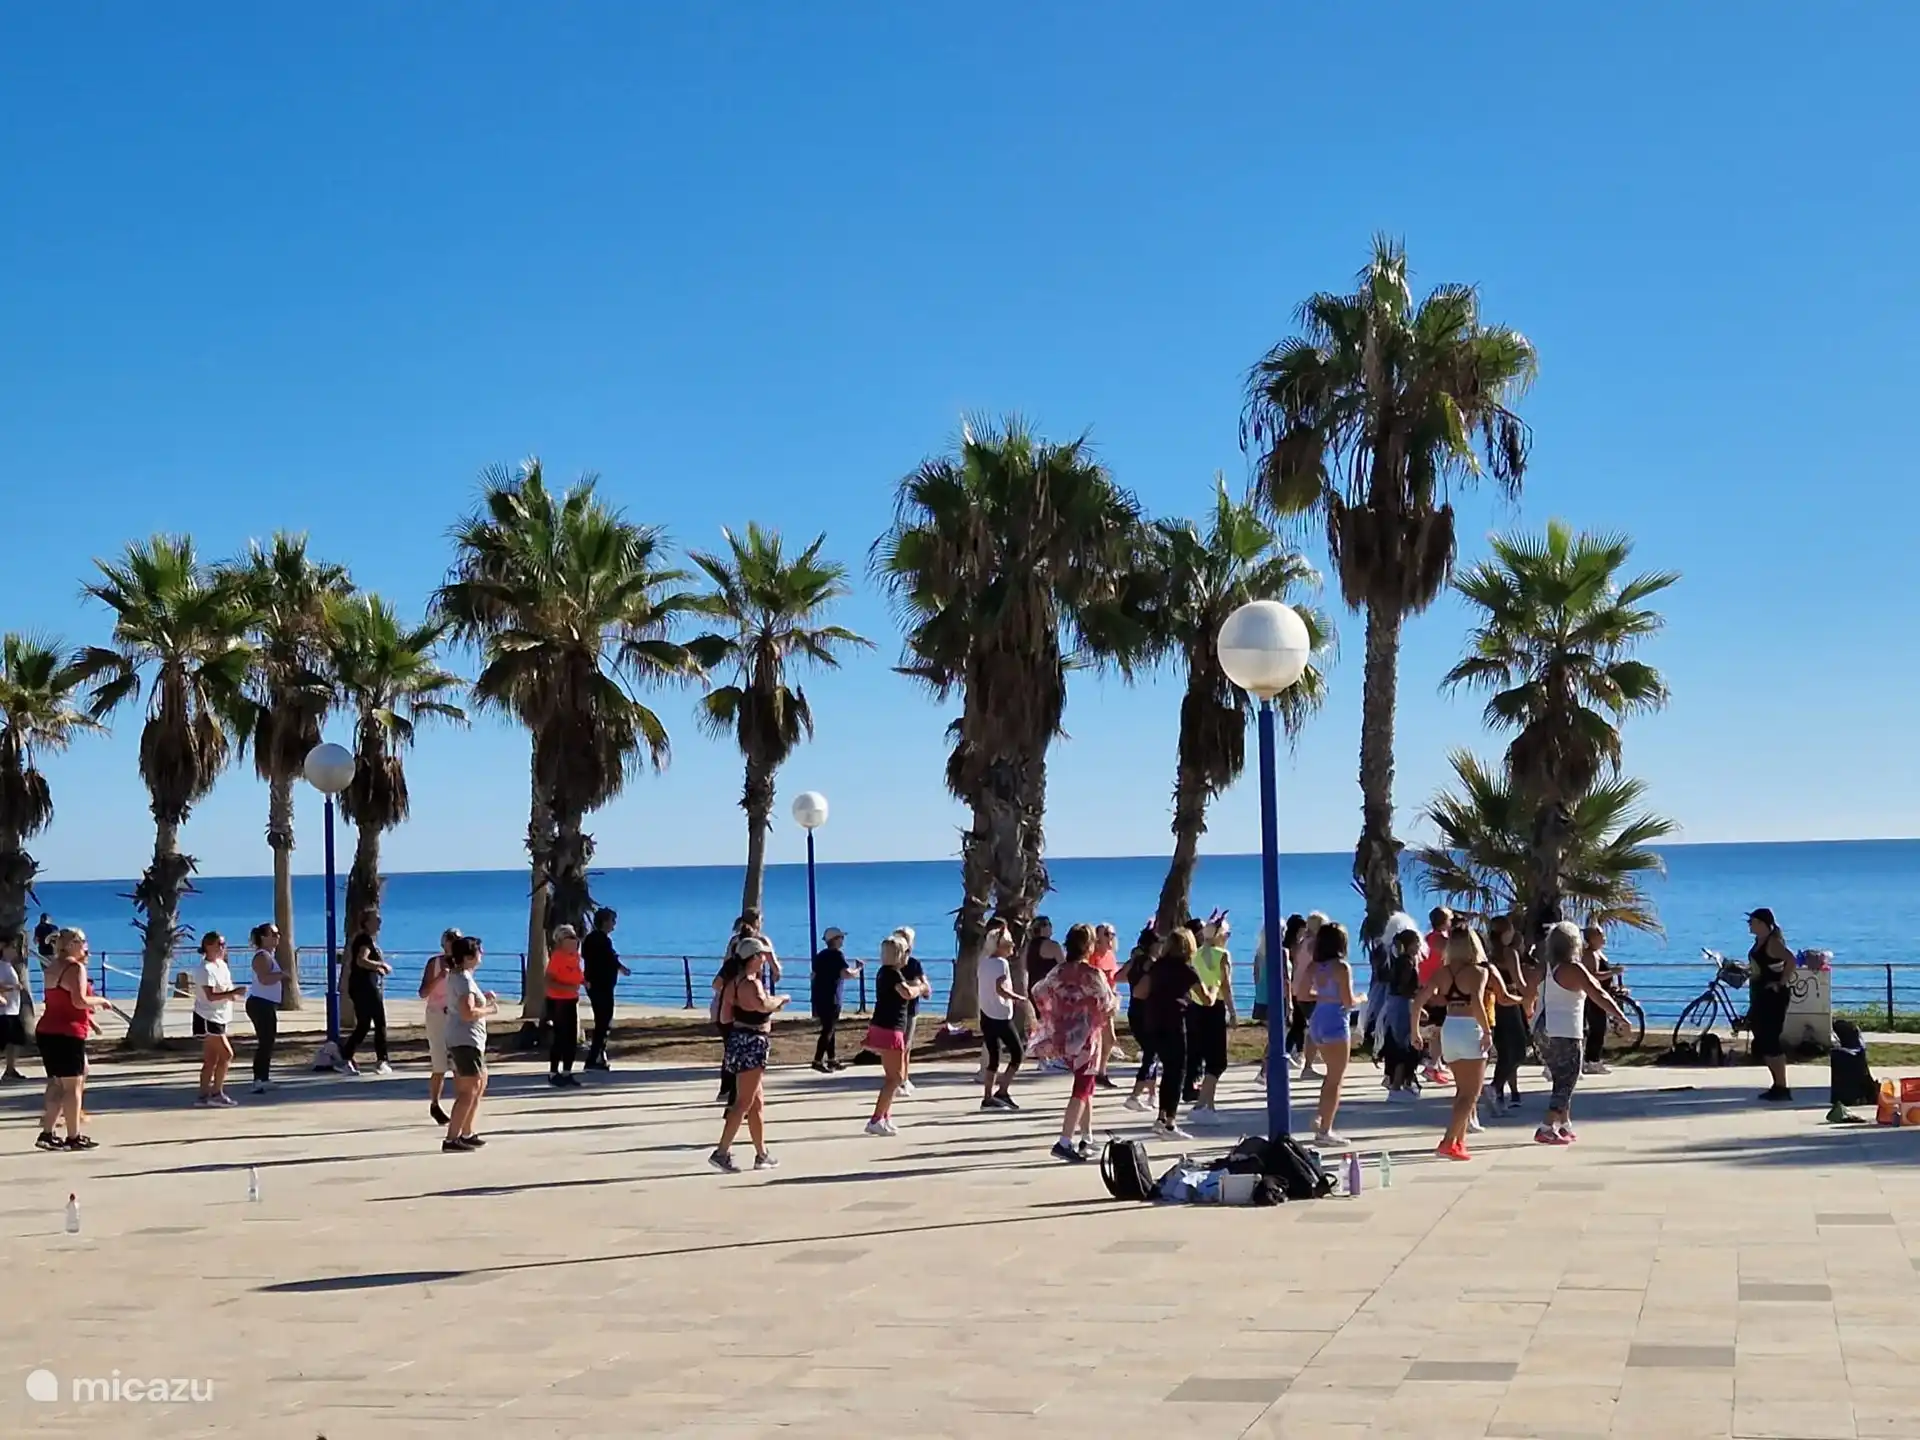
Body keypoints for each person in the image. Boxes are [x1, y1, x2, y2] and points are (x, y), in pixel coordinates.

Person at [1529, 920, 1628, 1144]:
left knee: (1560, 1077)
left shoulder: (1548, 968)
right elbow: (1598, 993)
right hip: (1564, 1030)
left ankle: (1564, 1124)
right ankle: (1546, 1126)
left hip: (1543, 1028)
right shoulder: (1573, 968)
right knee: (1567, 1079)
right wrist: (1619, 1016)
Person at [1030, 924, 1118, 1162]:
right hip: (1085, 1038)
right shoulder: (1092, 974)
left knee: (1086, 1086)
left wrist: (1055, 1012)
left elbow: (1038, 990)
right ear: (1089, 946)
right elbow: (1108, 1003)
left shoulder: (1058, 971)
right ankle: (1064, 1140)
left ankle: (1086, 1136)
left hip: (1063, 1035)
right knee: (1082, 1089)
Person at [708, 936, 787, 1172]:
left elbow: (724, 1017)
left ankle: (761, 1154)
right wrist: (781, 1000)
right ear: (753, 958)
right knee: (743, 1102)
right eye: (762, 955)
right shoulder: (751, 984)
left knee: (756, 1103)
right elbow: (764, 1005)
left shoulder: (733, 983)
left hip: (738, 1041)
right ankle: (721, 1152)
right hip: (753, 1043)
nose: (765, 959)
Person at [1414, 927, 1491, 1160]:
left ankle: (1459, 1141)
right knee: (1471, 1093)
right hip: (1469, 1028)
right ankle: (1449, 1140)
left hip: (1450, 1028)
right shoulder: (1478, 972)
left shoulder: (1442, 972)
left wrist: (1414, 1030)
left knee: (1462, 1091)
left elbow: (1419, 1000)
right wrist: (1487, 1030)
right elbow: (1477, 1002)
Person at [36, 927, 107, 1150]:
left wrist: (91, 1021)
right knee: (73, 1086)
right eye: (83, 942)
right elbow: (79, 1001)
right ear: (73, 943)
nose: (86, 947)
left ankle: (47, 1133)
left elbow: (60, 1000)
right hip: (67, 1032)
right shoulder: (75, 968)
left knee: (57, 1083)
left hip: (48, 1030)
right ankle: (73, 1136)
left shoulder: (52, 966)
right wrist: (100, 1001)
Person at [1297, 921, 1358, 1146]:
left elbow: (1302, 993)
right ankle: (1326, 1129)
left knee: (1330, 1077)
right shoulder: (1342, 968)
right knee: (1336, 1079)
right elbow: (1348, 1001)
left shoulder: (1315, 967)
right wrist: (1362, 999)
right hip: (1335, 1022)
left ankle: (1321, 1117)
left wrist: (1323, 997)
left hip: (1317, 1020)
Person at [863, 934, 926, 1136]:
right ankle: (875, 1119)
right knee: (895, 1078)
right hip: (890, 1028)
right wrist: (922, 986)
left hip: (889, 1026)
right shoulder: (892, 974)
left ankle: (885, 1116)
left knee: (893, 1076)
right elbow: (907, 993)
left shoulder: (886, 973)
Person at [1143, 929, 1202, 1140]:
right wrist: (1215, 989)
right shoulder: (1187, 970)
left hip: (1154, 1021)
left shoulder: (1157, 967)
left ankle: (1160, 1117)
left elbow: (1142, 991)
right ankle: (1170, 1122)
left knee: (1167, 1070)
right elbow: (1206, 997)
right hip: (1175, 1022)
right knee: (1176, 1072)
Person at [441, 934, 498, 1152]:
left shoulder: (461, 977)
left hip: (469, 1039)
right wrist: (490, 1009)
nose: (482, 954)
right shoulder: (463, 979)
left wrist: (482, 996)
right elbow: (467, 1012)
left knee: (480, 1082)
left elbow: (464, 1003)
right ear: (468, 956)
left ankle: (467, 1132)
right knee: (469, 1089)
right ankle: (451, 1138)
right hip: (465, 1039)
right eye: (479, 951)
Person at [1183, 917, 1234, 1115]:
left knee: (1205, 1055)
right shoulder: (1222, 955)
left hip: (1196, 1007)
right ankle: (1201, 1105)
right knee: (1218, 1061)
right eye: (1226, 934)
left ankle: (1207, 1105)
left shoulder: (1196, 954)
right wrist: (1233, 1012)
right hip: (1215, 1006)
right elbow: (1226, 986)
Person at [191, 932, 247, 1107]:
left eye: (223, 944)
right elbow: (210, 996)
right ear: (208, 946)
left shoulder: (222, 965)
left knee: (211, 1059)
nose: (222, 948)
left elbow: (225, 988)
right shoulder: (204, 969)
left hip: (221, 1016)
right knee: (227, 1054)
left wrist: (232, 995)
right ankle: (216, 1092)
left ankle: (202, 1096)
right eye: (219, 944)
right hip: (208, 1017)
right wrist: (233, 993)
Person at [1747, 907, 1796, 1102]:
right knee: (1762, 1038)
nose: (1750, 925)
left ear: (1762, 923)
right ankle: (1776, 1084)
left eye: (1752, 921)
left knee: (1771, 1038)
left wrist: (1780, 982)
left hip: (1773, 996)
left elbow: (1791, 960)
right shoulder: (1758, 942)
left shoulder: (1773, 943)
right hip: (1760, 995)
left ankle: (1782, 1086)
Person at [977, 921, 1026, 1111]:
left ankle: (988, 1096)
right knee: (1017, 1053)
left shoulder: (984, 963)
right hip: (1001, 1016)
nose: (1013, 947)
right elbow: (1000, 988)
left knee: (994, 1056)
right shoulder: (1001, 964)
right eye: (1010, 944)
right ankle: (1002, 1090)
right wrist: (1018, 997)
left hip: (986, 1014)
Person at [338, 910, 393, 1076]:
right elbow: (361, 960)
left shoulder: (366, 939)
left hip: (361, 986)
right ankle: (382, 1061)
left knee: (363, 1025)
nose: (379, 923)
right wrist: (380, 965)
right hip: (365, 988)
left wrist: (377, 969)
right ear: (366, 922)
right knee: (379, 1022)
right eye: (376, 920)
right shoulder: (364, 939)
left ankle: (345, 1057)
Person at [1486, 914, 1531, 1112]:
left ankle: (1500, 1093)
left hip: (1493, 1002)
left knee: (1505, 1050)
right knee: (1519, 1049)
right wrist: (1531, 994)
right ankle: (1495, 1086)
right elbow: (1520, 983)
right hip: (1510, 1001)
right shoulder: (1509, 953)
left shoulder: (1488, 953)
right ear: (1507, 932)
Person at [1379, 922, 1425, 1097]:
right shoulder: (1407, 961)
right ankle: (1397, 1085)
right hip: (1402, 1003)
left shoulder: (1398, 960)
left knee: (1399, 1041)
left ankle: (1398, 1082)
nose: (1419, 947)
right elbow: (1403, 986)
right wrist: (1418, 993)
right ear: (1411, 944)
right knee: (1403, 1044)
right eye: (1417, 943)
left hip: (1396, 1003)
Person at [419, 929, 458, 1124]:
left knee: (459, 1062)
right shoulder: (434, 963)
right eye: (450, 941)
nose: (452, 944)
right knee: (439, 1063)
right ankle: (435, 1103)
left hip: (456, 1016)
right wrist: (439, 977)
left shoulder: (463, 965)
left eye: (457, 941)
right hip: (437, 1015)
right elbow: (423, 992)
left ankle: (462, 1102)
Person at [582, 908, 628, 1070]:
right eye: (612, 921)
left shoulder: (591, 939)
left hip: (597, 985)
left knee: (602, 1021)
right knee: (604, 1021)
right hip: (601, 986)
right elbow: (609, 959)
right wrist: (621, 967)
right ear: (605, 921)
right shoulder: (601, 940)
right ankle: (594, 1058)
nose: (614, 925)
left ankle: (598, 1056)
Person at [1121, 926, 1161, 1112]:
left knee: (1151, 1053)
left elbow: (1120, 976)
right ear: (1153, 945)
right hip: (1147, 1013)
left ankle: (1152, 1095)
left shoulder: (1134, 961)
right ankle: (1135, 1095)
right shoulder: (1151, 964)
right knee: (1151, 1054)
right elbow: (1144, 989)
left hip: (1134, 1011)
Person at [809, 926, 859, 1072]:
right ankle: (817, 1060)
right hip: (832, 997)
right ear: (835, 940)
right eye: (841, 938)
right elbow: (847, 974)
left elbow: (814, 975)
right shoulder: (837, 955)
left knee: (830, 1028)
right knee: (828, 1030)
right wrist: (859, 969)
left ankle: (831, 1058)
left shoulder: (820, 956)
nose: (843, 941)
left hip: (819, 996)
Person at [245, 922, 286, 1095]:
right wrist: (282, 975)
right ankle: (258, 1079)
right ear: (263, 938)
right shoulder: (262, 956)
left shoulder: (269, 955)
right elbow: (264, 979)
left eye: (278, 934)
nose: (277, 937)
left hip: (267, 1003)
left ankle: (264, 1077)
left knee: (268, 1041)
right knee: (265, 1041)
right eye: (273, 934)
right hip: (260, 1003)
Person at [543, 924, 586, 1086]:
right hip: (557, 1000)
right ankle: (554, 1073)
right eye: (569, 938)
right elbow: (549, 980)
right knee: (560, 1037)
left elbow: (576, 974)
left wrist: (584, 982)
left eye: (574, 938)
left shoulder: (575, 956)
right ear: (561, 941)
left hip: (572, 999)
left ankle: (567, 1072)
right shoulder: (558, 957)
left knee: (571, 1037)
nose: (573, 941)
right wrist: (566, 987)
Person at [1418, 906, 1455, 1087]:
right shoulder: (1442, 941)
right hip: (1439, 987)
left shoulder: (1427, 938)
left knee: (1436, 1027)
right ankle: (1432, 1064)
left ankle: (1436, 1062)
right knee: (1439, 1029)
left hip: (1427, 985)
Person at [1580, 923, 1616, 1076]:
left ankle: (1593, 1059)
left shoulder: (1598, 953)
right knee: (1597, 1027)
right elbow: (1592, 975)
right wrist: (1612, 972)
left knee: (1600, 1027)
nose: (1604, 937)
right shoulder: (1589, 954)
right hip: (1593, 995)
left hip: (1602, 992)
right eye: (1601, 934)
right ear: (1593, 938)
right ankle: (1591, 1061)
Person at [1089, 922, 1122, 1087]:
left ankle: (1101, 1072)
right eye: (1107, 934)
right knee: (1097, 1039)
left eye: (1112, 934)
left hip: (1108, 1002)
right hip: (1095, 1004)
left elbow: (1113, 980)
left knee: (1109, 1039)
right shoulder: (1092, 956)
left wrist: (1115, 997)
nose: (1111, 937)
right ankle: (1093, 1072)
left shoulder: (1110, 955)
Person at [1288, 913, 1321, 1075]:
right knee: (1314, 1028)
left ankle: (1305, 1062)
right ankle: (1307, 1065)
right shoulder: (1315, 944)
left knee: (1305, 1027)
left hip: (1298, 988)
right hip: (1311, 990)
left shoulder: (1302, 943)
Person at [1, 932, 30, 1081]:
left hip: (12, 1008)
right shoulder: (1, 966)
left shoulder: (8, 965)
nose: (14, 951)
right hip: (4, 1010)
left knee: (16, 1040)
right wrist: (14, 987)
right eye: (12, 948)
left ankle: (10, 1069)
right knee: (6, 1041)